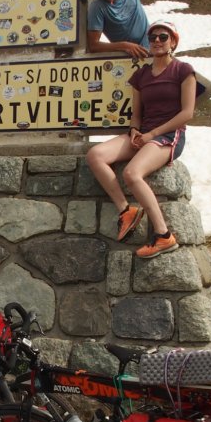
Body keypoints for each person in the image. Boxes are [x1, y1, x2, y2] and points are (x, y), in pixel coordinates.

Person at [85, 20, 194, 259]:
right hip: (143, 134)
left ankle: (163, 236)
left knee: (132, 173)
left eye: (163, 37)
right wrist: (135, 131)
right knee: (96, 155)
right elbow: (136, 114)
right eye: (153, 37)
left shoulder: (183, 70)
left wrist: (152, 135)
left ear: (173, 41)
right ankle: (126, 210)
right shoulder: (141, 75)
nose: (156, 41)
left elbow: (187, 113)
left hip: (167, 136)